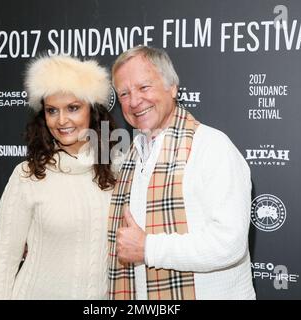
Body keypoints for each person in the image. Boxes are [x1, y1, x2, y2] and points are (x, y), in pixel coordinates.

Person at [107, 46, 256, 300]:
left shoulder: (212, 146)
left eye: (144, 88)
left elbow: (230, 243)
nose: (134, 101)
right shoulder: (132, 153)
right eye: (124, 93)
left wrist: (148, 248)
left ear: (172, 87)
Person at [0, 55, 118, 299]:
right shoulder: (28, 176)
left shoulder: (117, 171)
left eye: (73, 108)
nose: (62, 120)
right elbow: (3, 259)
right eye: (52, 110)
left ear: (93, 111)